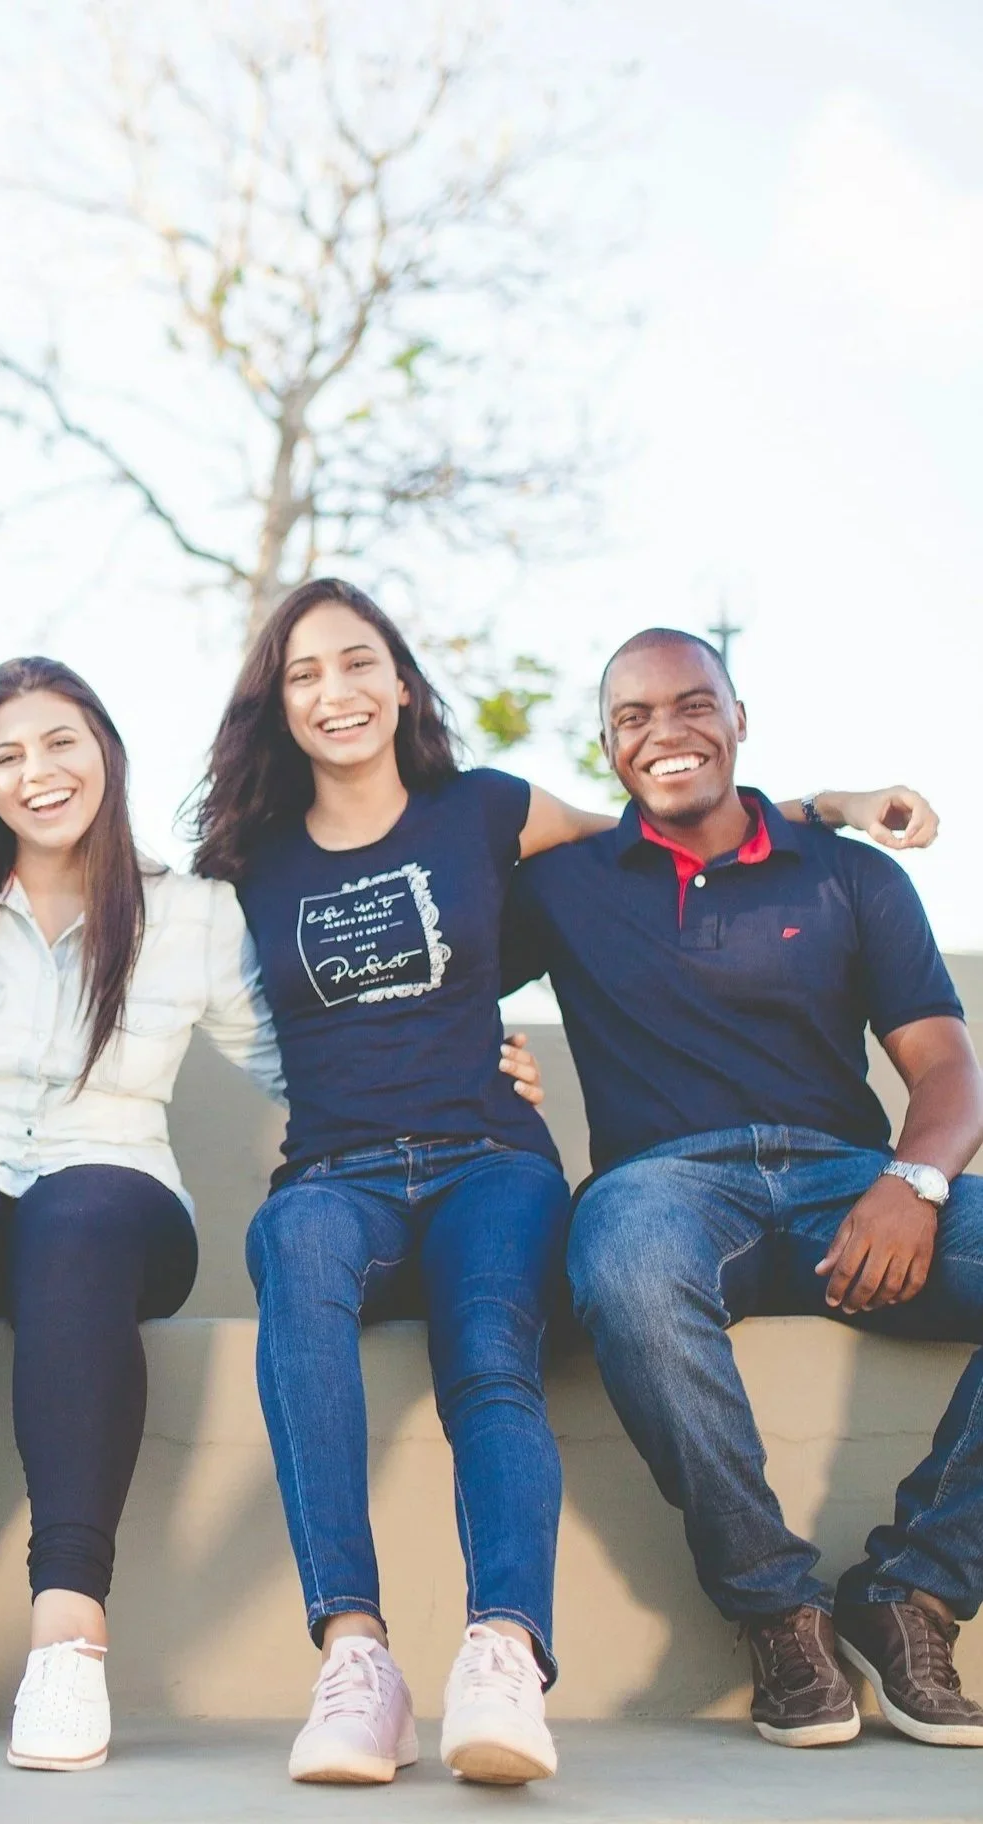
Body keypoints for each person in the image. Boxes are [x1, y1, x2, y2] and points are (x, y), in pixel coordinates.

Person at [189, 577, 928, 1787]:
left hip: (491, 1159)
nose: (338, 691)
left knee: (489, 1353)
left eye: (359, 662)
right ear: (274, 703)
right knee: (296, 1262)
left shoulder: (485, 811)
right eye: (306, 672)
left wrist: (830, 805)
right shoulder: (243, 863)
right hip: (334, 1172)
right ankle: (355, 1657)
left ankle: (502, 1654)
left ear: (401, 682)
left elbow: (667, 827)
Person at [0, 655, 544, 1774]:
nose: (36, 772)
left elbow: (305, 1062)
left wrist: (456, 1068)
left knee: (78, 1220)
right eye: (6, 755)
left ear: (105, 754)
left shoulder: (190, 913)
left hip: (117, 1199)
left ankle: (68, 1636)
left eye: (59, 744)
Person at [504, 627, 982, 1752]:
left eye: (691, 706)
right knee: (619, 1261)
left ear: (738, 718)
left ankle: (912, 1593)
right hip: (663, 1190)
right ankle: (777, 1611)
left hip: (850, 1186)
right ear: (608, 747)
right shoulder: (564, 885)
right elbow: (431, 911)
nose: (664, 734)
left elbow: (946, 1067)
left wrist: (913, 1183)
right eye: (632, 718)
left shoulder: (849, 873)